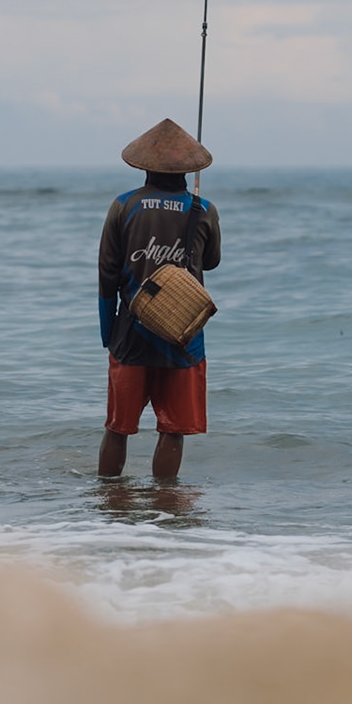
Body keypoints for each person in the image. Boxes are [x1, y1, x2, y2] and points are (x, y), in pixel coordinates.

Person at [97, 119, 221, 480]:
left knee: (118, 427)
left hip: (129, 335)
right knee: (173, 429)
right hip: (183, 334)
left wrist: (109, 334)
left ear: (145, 166)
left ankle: (108, 504)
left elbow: (107, 274)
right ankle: (165, 510)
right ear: (187, 169)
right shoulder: (204, 210)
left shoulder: (123, 206)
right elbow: (211, 263)